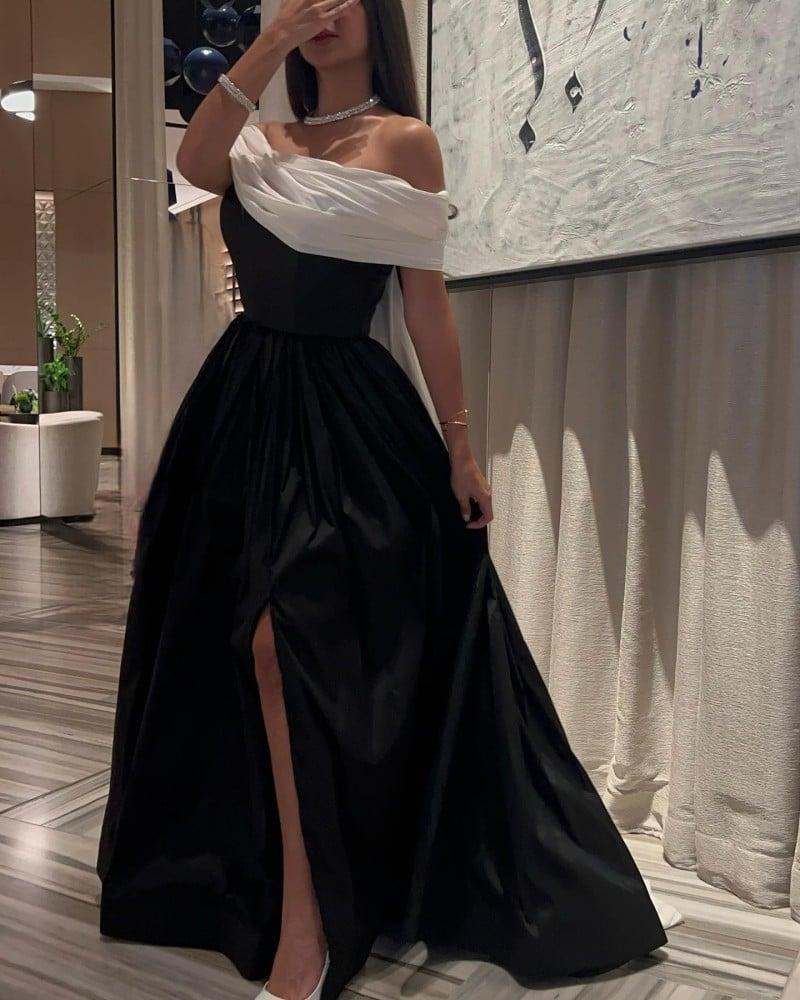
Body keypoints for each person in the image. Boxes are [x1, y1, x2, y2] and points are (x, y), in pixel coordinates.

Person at [95, 2, 677, 1000]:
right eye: (304, 0)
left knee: (288, 642)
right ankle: (282, 880)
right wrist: (265, 47)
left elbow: (424, 302)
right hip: (240, 408)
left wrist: (461, 445)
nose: (322, 13)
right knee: (229, 640)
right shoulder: (258, 136)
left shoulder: (406, 141)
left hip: (347, 415)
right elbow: (192, 167)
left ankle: (310, 923)